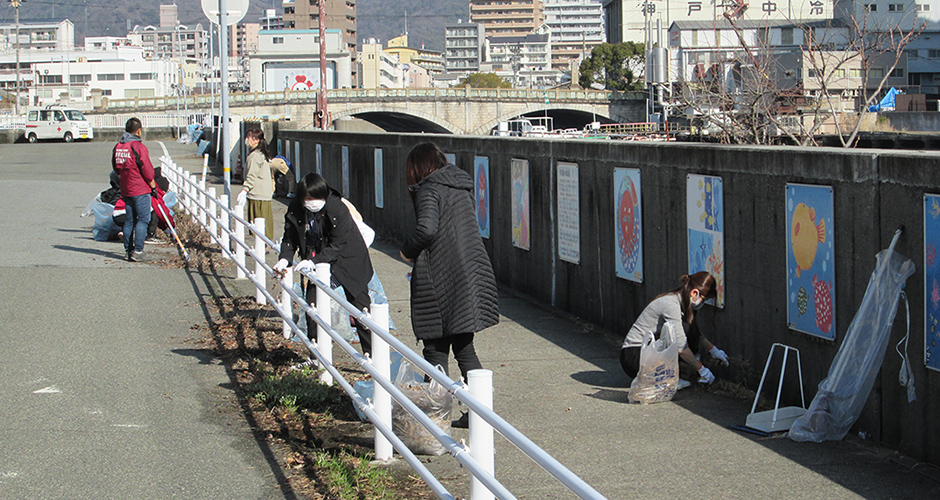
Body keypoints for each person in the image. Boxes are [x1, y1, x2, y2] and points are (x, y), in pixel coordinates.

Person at [400, 142, 499, 427]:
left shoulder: (429, 189)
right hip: (470, 275)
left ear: (418, 168)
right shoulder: (460, 185)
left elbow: (426, 229)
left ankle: (432, 418)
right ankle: (479, 414)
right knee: (464, 346)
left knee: (434, 349)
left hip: (441, 279)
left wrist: (407, 251)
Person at [273, 173, 375, 355]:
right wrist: (284, 258)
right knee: (313, 307)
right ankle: (317, 354)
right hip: (316, 262)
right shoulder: (296, 208)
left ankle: (373, 356)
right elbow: (290, 237)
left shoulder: (336, 207)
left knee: (361, 310)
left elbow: (338, 244)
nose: (314, 202)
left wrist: (313, 261)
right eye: (309, 199)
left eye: (317, 198)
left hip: (349, 260)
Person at [620, 271, 730, 388]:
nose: (702, 303)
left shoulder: (679, 301)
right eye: (703, 299)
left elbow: (694, 333)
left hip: (642, 354)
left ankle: (665, 378)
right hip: (634, 358)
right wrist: (701, 369)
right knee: (683, 337)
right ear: (694, 293)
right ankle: (665, 380)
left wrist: (714, 350)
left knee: (687, 332)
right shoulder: (671, 304)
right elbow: (681, 347)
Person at [112, 117, 156, 262]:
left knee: (129, 221)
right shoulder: (138, 147)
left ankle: (128, 250)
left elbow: (115, 167)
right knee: (143, 219)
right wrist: (152, 184)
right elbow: (147, 169)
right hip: (140, 188)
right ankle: (138, 251)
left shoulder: (118, 146)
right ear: (139, 130)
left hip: (126, 188)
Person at [236, 128, 274, 241]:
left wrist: (245, 190)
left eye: (250, 137)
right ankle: (264, 244)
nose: (247, 140)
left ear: (256, 140)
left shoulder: (255, 156)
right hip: (263, 192)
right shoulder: (261, 154)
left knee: (259, 221)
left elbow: (252, 175)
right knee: (264, 221)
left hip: (258, 193)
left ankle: (264, 245)